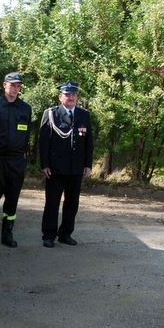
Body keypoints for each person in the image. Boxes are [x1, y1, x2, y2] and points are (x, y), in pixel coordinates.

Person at [0, 72, 33, 249]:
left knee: (12, 199)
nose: (16, 89)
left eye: (18, 86)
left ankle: (7, 235)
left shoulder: (25, 108)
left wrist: (19, 154)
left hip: (16, 161)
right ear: (4, 85)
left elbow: (26, 136)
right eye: (13, 85)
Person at [38, 82, 94, 248]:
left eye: (73, 94)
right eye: (67, 94)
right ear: (60, 97)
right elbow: (43, 142)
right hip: (55, 168)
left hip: (76, 168)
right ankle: (49, 235)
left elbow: (89, 142)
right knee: (52, 203)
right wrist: (45, 164)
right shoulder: (51, 114)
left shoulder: (84, 115)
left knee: (72, 203)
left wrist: (88, 164)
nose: (71, 97)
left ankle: (65, 234)